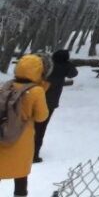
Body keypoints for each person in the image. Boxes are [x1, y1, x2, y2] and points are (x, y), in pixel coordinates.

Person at [0, 54, 50, 197]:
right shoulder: (36, 91)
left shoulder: (7, 85)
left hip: (2, 135)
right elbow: (42, 117)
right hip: (21, 139)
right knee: (21, 173)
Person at [33, 49, 77, 163]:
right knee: (41, 128)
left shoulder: (47, 64)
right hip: (50, 103)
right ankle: (34, 154)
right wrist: (68, 62)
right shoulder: (65, 67)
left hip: (34, 98)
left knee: (28, 125)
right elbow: (74, 73)